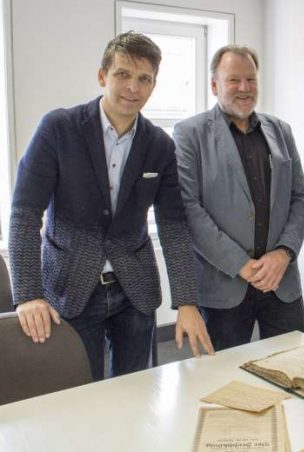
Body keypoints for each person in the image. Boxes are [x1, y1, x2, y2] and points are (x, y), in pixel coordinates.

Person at [9, 32, 214, 381]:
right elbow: (25, 215)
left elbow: (174, 226)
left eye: (144, 79)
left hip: (134, 289)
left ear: (153, 86)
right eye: (123, 74)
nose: (133, 87)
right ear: (103, 76)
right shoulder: (59, 129)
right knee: (79, 391)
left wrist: (187, 302)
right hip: (71, 286)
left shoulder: (159, 146)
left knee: (137, 389)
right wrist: (28, 295)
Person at [173, 45, 304, 351]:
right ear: (214, 85)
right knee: (221, 381)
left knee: (296, 370)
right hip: (224, 284)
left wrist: (284, 253)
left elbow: (300, 197)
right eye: (234, 80)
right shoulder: (189, 134)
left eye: (251, 80)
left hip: (281, 281)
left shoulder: (281, 131)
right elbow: (189, 209)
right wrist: (240, 264)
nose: (244, 88)